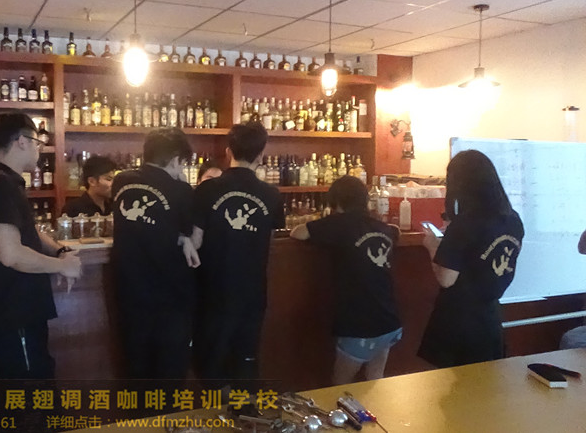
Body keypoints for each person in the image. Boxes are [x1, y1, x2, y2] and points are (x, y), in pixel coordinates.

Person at [0, 112, 82, 379]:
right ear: (22, 141)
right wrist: (61, 266)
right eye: (37, 143)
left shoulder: (3, 180)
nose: (38, 150)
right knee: (30, 393)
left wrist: (59, 251)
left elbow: (28, 231)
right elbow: (11, 254)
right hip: (12, 318)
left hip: (15, 316)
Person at [191, 122, 284, 388]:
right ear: (261, 154)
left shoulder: (207, 190)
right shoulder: (272, 195)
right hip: (252, 291)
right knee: (245, 359)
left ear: (228, 151)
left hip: (213, 291)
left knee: (211, 363)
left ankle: (215, 410)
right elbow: (270, 241)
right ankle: (245, 411)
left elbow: (195, 241)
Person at [291, 176, 402, 385]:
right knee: (375, 381)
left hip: (360, 325)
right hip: (390, 321)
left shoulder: (338, 223)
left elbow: (298, 233)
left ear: (336, 202)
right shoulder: (382, 227)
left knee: (340, 386)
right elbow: (396, 233)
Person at [419, 149, 524, 368]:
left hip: (459, 321)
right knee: (484, 382)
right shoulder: (513, 219)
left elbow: (446, 279)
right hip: (491, 318)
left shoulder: (465, 223)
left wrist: (432, 247)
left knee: (454, 386)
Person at [111, 127, 200, 380]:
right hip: (170, 292)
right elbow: (191, 234)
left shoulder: (121, 180)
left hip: (129, 289)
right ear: (176, 160)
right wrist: (182, 237)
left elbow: (147, 228)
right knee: (170, 370)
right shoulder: (181, 191)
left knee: (136, 366)